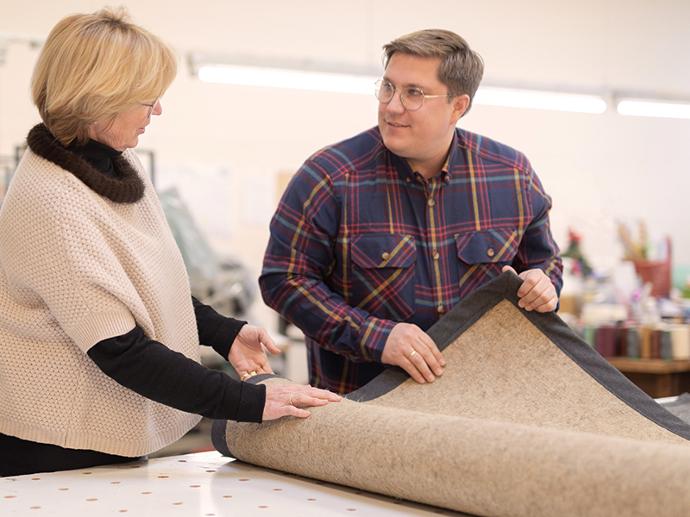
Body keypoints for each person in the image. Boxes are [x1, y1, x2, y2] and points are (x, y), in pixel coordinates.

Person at [0, 8, 339, 477]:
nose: (157, 110)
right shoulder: (50, 202)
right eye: (147, 97)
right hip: (53, 447)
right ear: (100, 97)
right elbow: (121, 349)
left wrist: (225, 332)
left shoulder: (121, 167)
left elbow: (150, 287)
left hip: (107, 434)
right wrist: (251, 400)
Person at [260, 29, 563, 395]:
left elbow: (544, 263)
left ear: (458, 106)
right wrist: (377, 336)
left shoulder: (511, 175)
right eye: (388, 87)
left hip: (482, 402)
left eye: (413, 93)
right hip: (366, 409)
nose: (391, 105)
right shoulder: (329, 176)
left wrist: (544, 284)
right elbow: (283, 280)